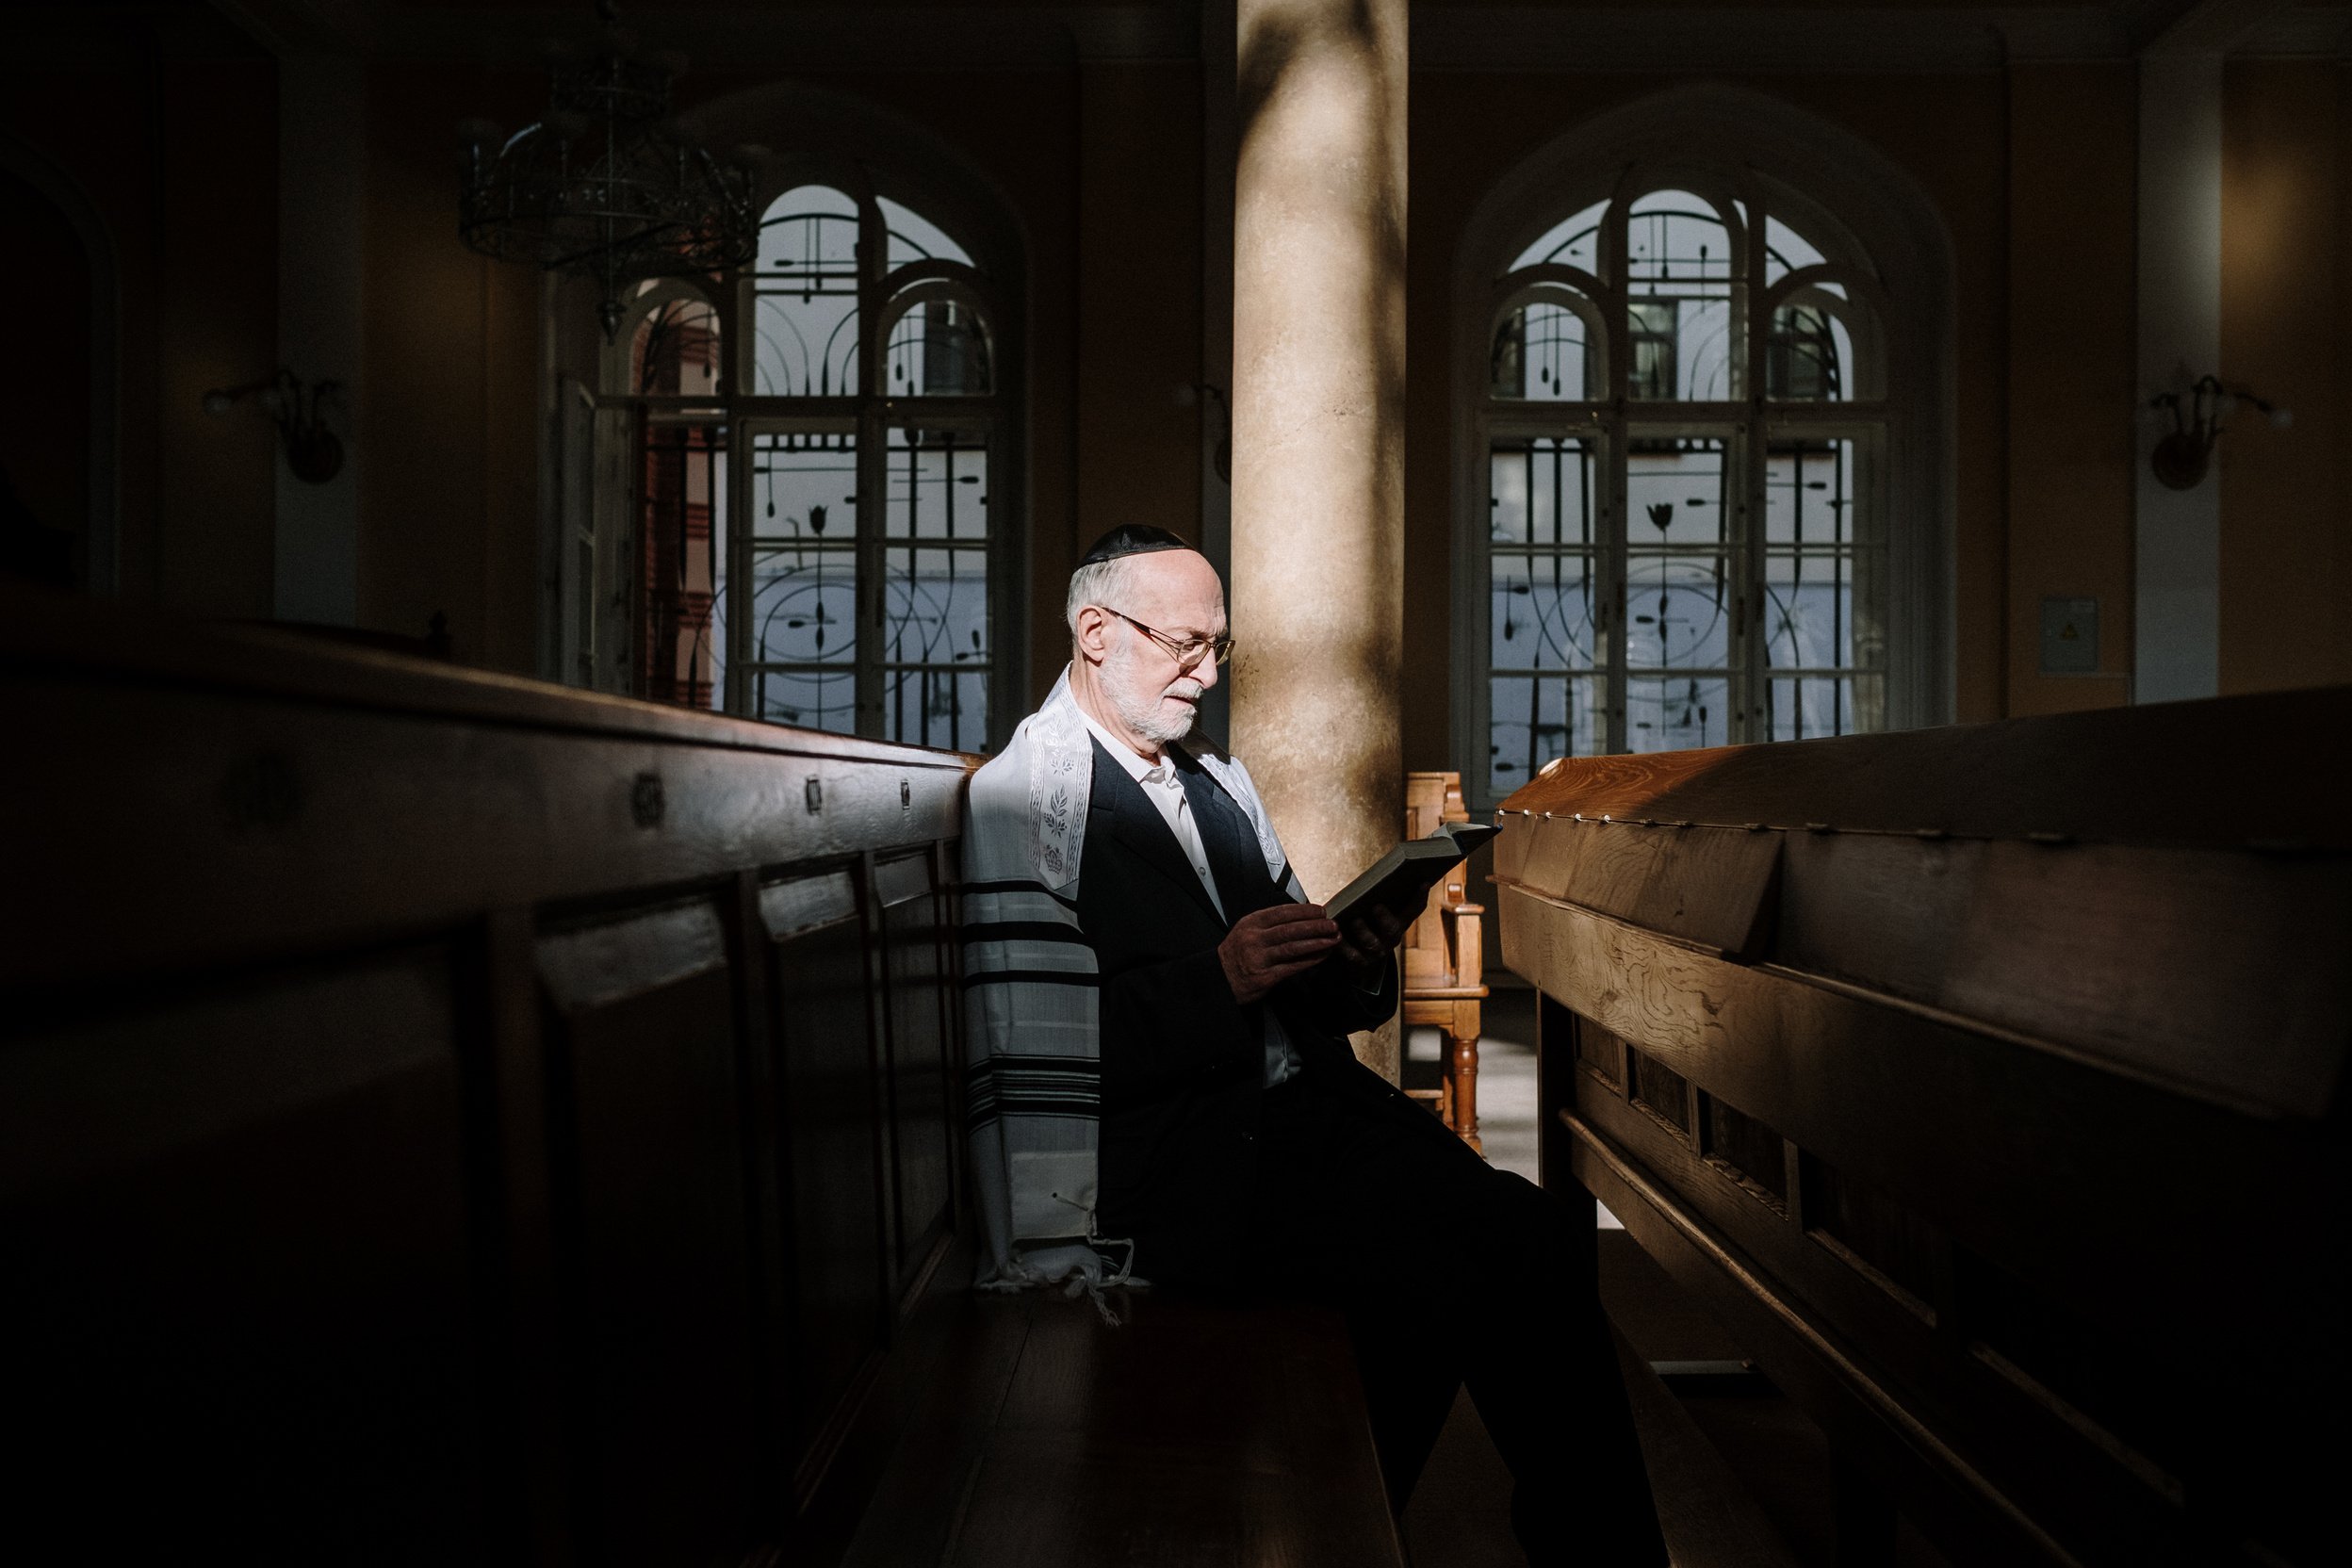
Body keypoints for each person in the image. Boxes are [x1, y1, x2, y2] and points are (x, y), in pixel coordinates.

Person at [961, 524, 1665, 1567]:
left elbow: (1304, 991)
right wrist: (1220, 979)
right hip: (1187, 1157)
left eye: (1219, 647)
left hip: (1309, 1116)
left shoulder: (1215, 784)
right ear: (1097, 633)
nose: (1207, 673)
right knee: (1460, 1268)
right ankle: (1356, 1526)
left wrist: (1355, 955)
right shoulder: (1027, 803)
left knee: (1537, 1235)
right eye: (1186, 644)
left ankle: (1512, 1539)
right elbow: (1036, 1049)